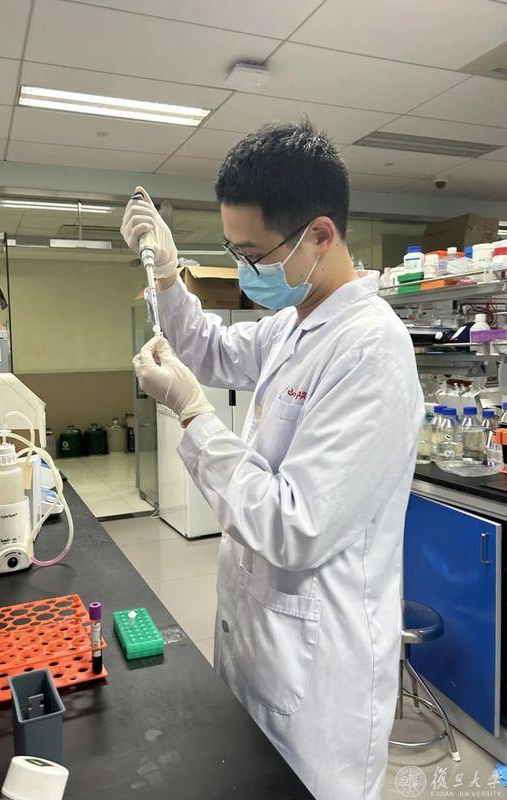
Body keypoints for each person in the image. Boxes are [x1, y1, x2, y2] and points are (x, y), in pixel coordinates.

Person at [121, 119, 423, 800]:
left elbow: (294, 525)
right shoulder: (295, 322)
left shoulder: (371, 350)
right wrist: (166, 273)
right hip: (261, 644)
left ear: (321, 235)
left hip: (319, 681)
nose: (245, 269)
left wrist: (194, 414)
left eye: (254, 253)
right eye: (233, 250)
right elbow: (210, 348)